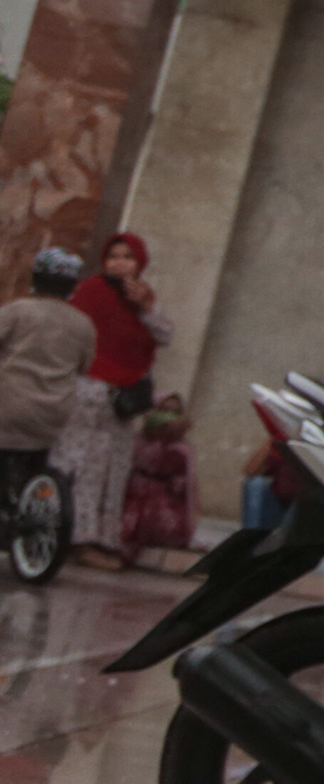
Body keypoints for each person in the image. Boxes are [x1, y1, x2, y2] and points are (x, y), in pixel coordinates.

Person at [54, 232, 165, 569]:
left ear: (140, 262)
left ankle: (101, 540)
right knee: (81, 467)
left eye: (128, 257)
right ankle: (75, 540)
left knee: (113, 471)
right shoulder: (90, 291)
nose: (119, 263)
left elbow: (163, 336)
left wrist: (145, 307)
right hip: (87, 390)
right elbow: (70, 332)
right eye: (113, 256)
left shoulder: (143, 297)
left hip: (122, 398)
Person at [0, 250, 98, 523]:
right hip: (53, 410)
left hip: (8, 405)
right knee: (34, 461)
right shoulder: (82, 323)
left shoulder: (18, 311)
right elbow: (84, 366)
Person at [123, 396, 197, 563]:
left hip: (160, 503)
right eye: (164, 410)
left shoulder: (181, 449)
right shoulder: (135, 441)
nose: (169, 416)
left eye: (175, 413)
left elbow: (182, 489)